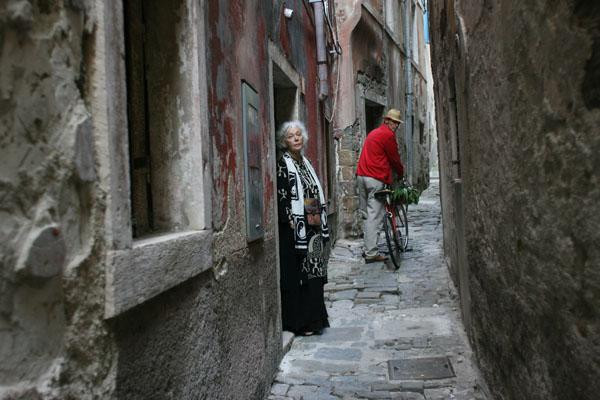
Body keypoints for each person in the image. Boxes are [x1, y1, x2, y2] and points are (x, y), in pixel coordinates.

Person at [276, 120, 330, 336]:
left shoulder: (306, 162)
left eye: (299, 135)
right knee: (300, 276)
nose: (296, 138)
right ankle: (300, 322)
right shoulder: (284, 163)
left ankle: (315, 319)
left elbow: (313, 192)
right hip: (296, 229)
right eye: (291, 136)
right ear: (284, 141)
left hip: (313, 226)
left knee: (315, 274)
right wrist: (290, 219)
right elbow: (282, 195)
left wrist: (318, 222)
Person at [356, 108, 405, 263]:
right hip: (375, 178)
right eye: (393, 122)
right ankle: (371, 253)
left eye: (397, 123)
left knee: (366, 213)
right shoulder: (388, 135)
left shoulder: (374, 133)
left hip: (361, 176)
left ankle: (367, 247)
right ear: (386, 121)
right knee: (374, 215)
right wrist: (401, 173)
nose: (395, 125)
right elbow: (394, 159)